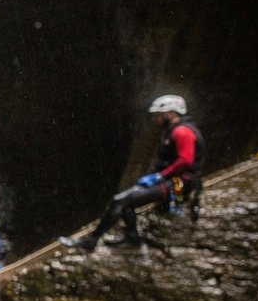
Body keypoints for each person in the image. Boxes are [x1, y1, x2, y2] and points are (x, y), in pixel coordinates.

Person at [60, 95, 205, 252]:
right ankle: (132, 236)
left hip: (179, 182)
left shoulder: (182, 132)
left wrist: (161, 176)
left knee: (119, 200)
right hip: (173, 179)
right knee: (126, 200)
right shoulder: (172, 131)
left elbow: (185, 160)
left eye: (158, 115)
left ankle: (91, 241)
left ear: (170, 114)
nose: (155, 119)